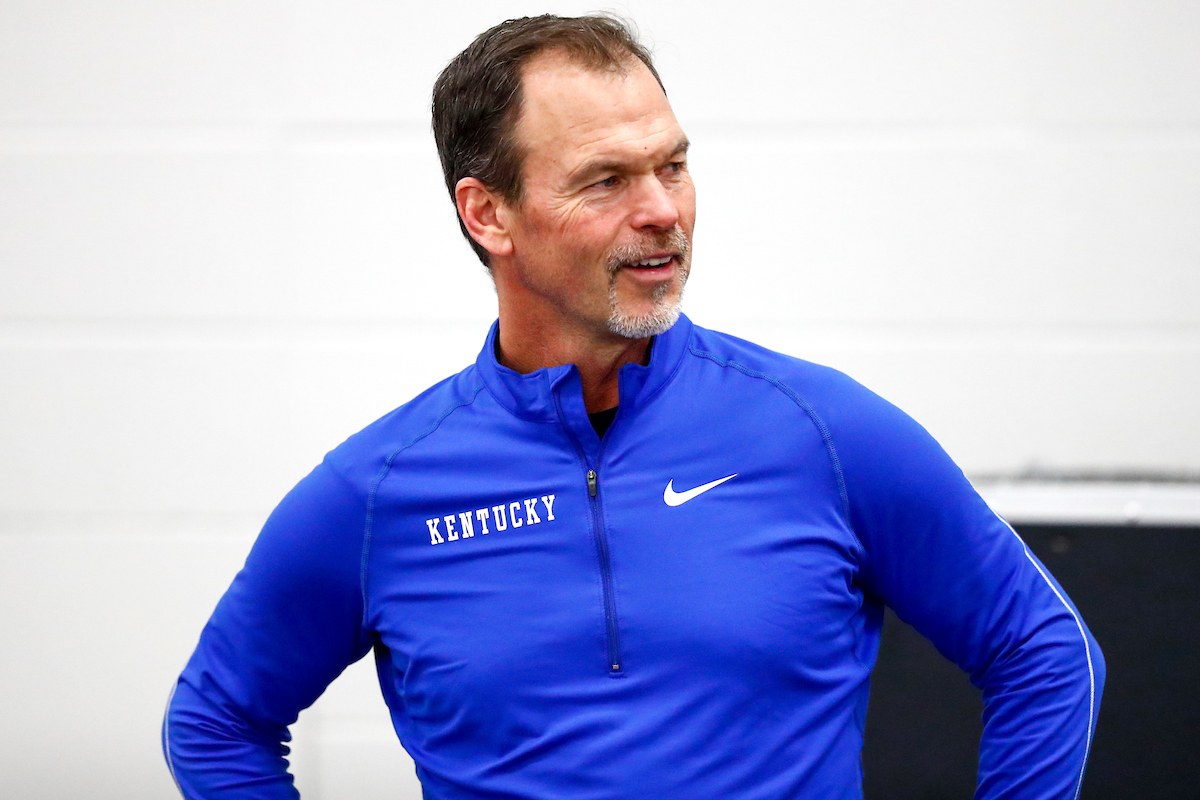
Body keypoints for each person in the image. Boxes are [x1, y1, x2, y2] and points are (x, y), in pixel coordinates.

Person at [163, 14, 1103, 799]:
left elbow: (1045, 653)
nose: (663, 210)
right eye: (606, 180)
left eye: (673, 166)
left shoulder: (825, 433)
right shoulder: (379, 490)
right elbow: (217, 723)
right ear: (488, 213)